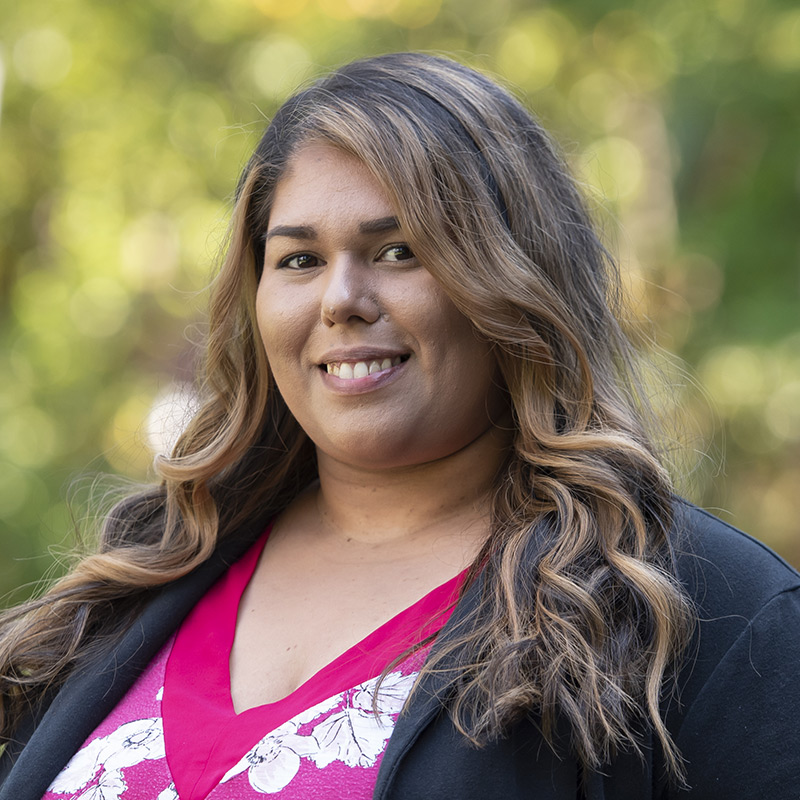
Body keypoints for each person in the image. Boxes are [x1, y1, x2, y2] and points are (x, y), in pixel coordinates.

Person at [1, 52, 799, 800]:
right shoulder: (141, 584)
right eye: (299, 260)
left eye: (398, 250)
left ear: (513, 280)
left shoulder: (704, 613)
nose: (340, 298)